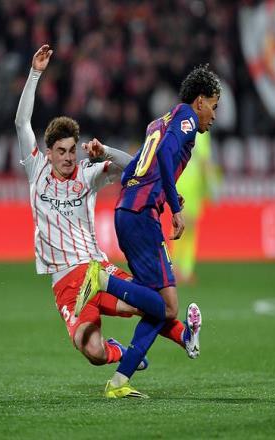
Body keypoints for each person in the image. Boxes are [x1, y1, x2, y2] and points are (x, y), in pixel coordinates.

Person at [14, 45, 186, 372]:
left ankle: (185, 335)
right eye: (61, 151)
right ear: (48, 153)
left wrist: (104, 151)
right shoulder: (36, 172)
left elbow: (135, 167)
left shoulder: (87, 174)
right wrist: (35, 73)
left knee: (149, 304)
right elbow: (22, 122)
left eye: (71, 150)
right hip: (65, 282)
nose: (68, 157)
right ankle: (120, 352)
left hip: (97, 269)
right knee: (94, 352)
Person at [76, 64, 221, 398]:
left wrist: (165, 193)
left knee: (158, 306)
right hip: (142, 216)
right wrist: (176, 208)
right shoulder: (186, 119)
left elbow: (136, 167)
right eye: (214, 105)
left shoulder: (160, 122)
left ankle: (120, 381)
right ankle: (102, 281)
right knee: (167, 306)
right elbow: (167, 156)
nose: (214, 115)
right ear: (200, 101)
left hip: (130, 211)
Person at [172, 131, 220, 284]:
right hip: (190, 184)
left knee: (186, 226)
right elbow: (205, 161)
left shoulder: (181, 127)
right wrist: (213, 184)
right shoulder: (201, 134)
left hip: (186, 182)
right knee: (185, 226)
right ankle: (179, 268)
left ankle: (183, 269)